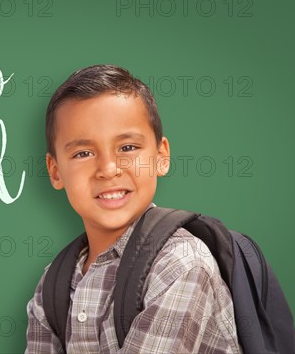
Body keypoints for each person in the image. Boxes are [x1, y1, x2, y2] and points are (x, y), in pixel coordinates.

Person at [25, 65, 242, 353]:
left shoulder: (180, 264)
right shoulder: (53, 284)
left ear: (161, 156)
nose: (108, 169)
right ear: (55, 172)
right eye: (83, 153)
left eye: (127, 148)